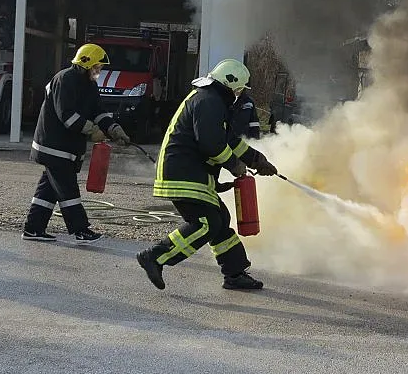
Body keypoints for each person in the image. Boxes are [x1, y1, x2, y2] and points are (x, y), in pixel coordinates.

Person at [137, 58, 278, 291]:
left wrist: (257, 160)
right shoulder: (209, 101)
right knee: (205, 223)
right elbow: (211, 144)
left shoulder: (214, 101)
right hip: (183, 174)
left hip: (194, 173)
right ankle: (155, 256)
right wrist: (235, 165)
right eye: (239, 88)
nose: (240, 93)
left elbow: (230, 141)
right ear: (231, 85)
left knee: (220, 220)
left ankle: (234, 274)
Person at [22, 43, 131, 244]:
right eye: (97, 67)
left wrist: (114, 129)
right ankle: (81, 230)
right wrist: (93, 131)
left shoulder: (88, 84)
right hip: (53, 146)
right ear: (85, 63)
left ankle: (33, 229)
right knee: (68, 190)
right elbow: (67, 116)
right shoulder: (65, 80)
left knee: (48, 190)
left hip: (66, 148)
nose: (99, 71)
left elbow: (98, 110)